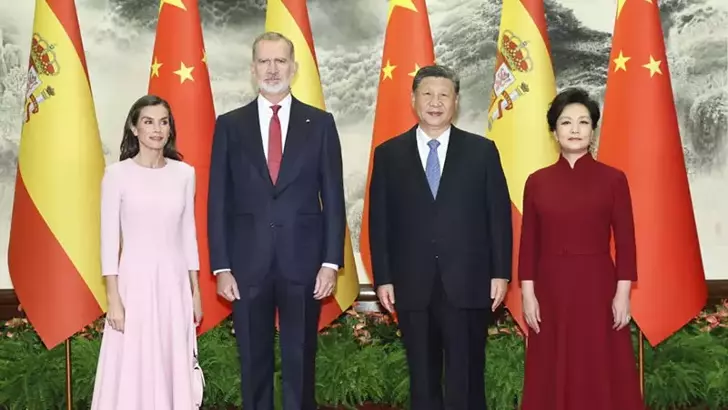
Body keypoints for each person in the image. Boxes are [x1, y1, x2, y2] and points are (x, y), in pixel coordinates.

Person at [207, 31, 345, 410]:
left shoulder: (320, 124)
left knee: (301, 359)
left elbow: (333, 198)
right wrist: (222, 267)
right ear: (253, 69)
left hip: (304, 263)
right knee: (253, 362)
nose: (272, 69)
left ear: (293, 67)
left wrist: (330, 262)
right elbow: (218, 200)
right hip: (246, 265)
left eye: (280, 61)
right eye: (264, 61)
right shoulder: (230, 125)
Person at [368, 64, 513, 410]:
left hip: (468, 282)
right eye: (428, 94)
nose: (435, 102)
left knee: (467, 378)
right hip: (412, 284)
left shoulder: (482, 152)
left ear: (456, 101)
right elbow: (379, 222)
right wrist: (383, 278)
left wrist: (501, 273)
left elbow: (498, 217)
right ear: (414, 99)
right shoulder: (389, 154)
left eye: (444, 95)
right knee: (422, 379)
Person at [519, 87, 644, 410]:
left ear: (593, 129)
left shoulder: (613, 179)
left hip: (598, 287)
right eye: (566, 122)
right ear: (554, 131)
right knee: (551, 365)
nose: (575, 129)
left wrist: (623, 295)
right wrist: (528, 295)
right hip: (550, 289)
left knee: (598, 364)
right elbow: (529, 243)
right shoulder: (537, 181)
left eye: (583, 122)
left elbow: (626, 242)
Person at [91, 95, 204, 409]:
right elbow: (108, 241)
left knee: (172, 362)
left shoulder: (185, 174)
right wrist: (113, 299)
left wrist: (195, 291)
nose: (157, 129)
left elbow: (188, 234)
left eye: (163, 122)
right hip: (134, 285)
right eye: (148, 122)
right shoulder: (117, 175)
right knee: (133, 364)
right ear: (134, 128)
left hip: (174, 286)